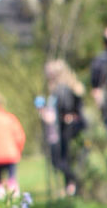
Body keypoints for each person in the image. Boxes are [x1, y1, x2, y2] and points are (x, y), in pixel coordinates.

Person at [37, 58, 87, 194]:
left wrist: (49, 115)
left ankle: (76, 181)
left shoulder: (62, 89)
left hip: (68, 130)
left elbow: (66, 111)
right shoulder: (68, 87)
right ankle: (71, 186)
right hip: (70, 129)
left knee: (61, 161)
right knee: (67, 160)